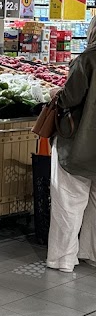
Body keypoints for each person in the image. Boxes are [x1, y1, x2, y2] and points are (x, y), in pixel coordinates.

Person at [47, 17, 96, 271]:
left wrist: (56, 94)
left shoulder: (88, 59)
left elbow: (70, 98)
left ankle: (63, 259)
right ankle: (92, 252)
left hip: (79, 146)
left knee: (69, 201)